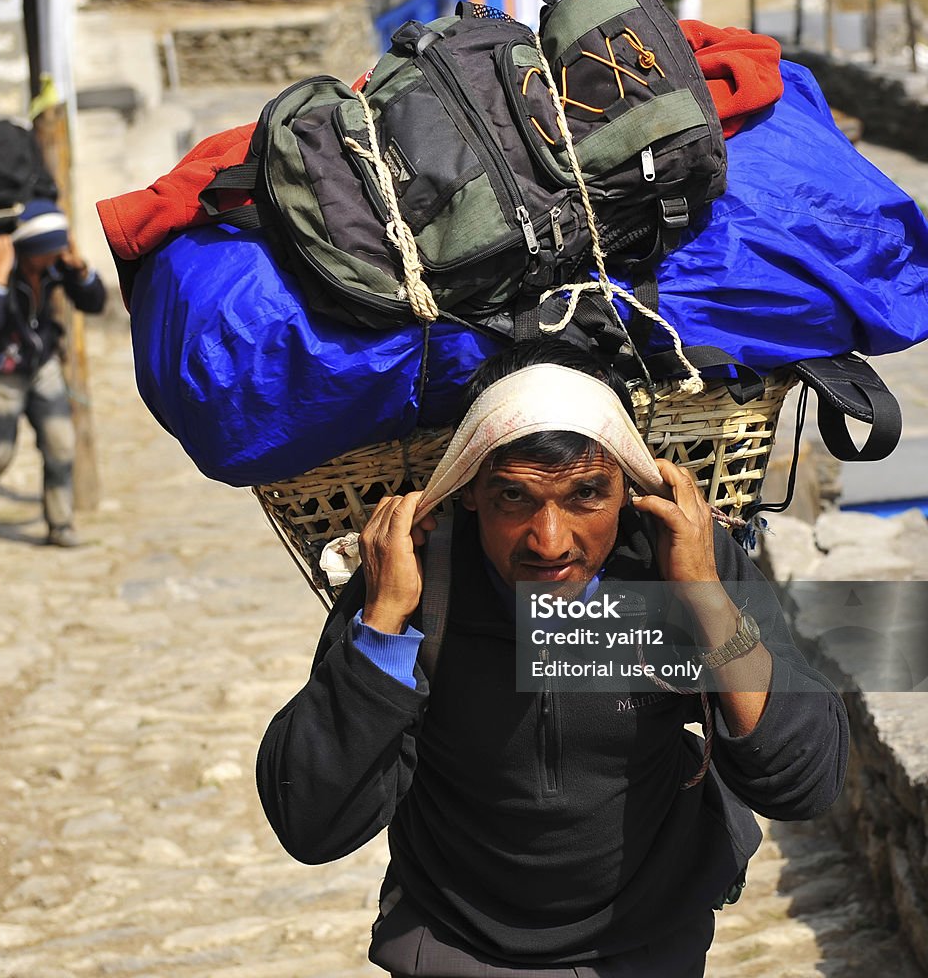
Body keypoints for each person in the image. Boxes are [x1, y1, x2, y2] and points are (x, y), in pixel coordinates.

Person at [256, 338, 848, 978]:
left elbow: (804, 780)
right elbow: (310, 821)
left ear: (628, 487)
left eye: (587, 494)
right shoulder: (417, 587)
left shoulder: (672, 564)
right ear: (470, 491)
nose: (550, 541)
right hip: (456, 944)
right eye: (514, 497)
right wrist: (383, 621)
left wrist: (703, 598)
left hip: (648, 939)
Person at [0, 199, 107, 548]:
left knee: (61, 443)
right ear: (28, 248)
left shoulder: (54, 264)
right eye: (46, 252)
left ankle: (60, 525)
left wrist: (78, 267)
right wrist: (1, 272)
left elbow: (94, 303)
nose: (53, 258)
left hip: (40, 364)